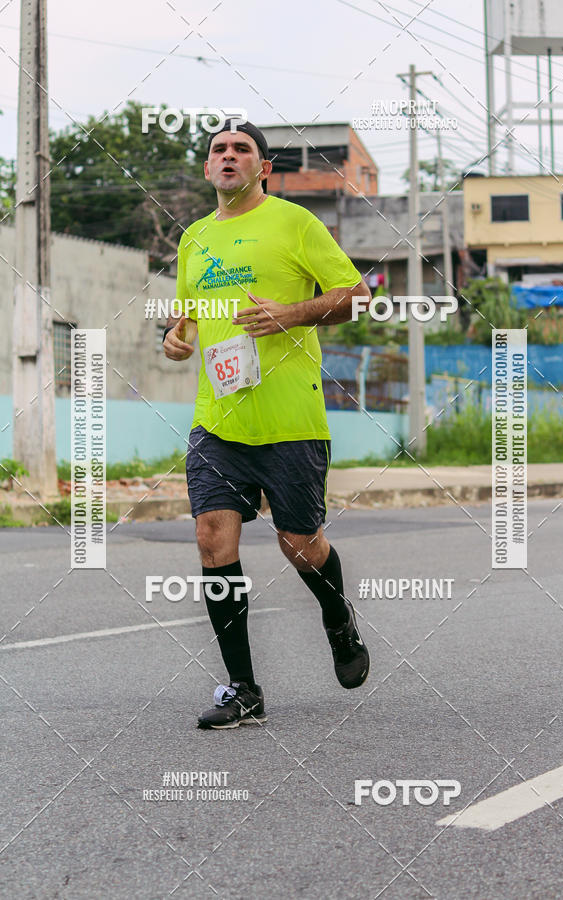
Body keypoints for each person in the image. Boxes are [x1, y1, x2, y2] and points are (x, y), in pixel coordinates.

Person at [163, 119, 372, 730]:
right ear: (208, 169)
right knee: (211, 540)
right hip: (217, 422)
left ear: (262, 168)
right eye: (218, 150)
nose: (228, 157)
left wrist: (291, 313)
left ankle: (338, 619)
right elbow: (187, 323)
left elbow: (354, 294)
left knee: (299, 544)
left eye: (241, 150)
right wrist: (175, 340)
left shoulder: (294, 223)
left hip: (290, 419)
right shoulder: (194, 238)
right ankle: (242, 687)